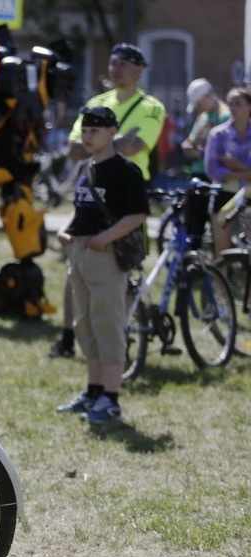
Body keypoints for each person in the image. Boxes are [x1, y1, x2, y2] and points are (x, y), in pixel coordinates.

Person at [49, 43, 166, 359]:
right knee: (76, 267)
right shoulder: (96, 102)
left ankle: (118, 339)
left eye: (125, 64)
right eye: (113, 63)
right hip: (92, 190)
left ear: (140, 69)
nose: (117, 69)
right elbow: (74, 147)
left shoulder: (151, 106)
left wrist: (97, 143)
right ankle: (68, 337)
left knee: (122, 268)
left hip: (126, 193)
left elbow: (136, 145)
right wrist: (112, 141)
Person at [55, 106, 148, 425]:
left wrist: (104, 238)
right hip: (79, 253)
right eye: (85, 130)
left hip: (104, 254)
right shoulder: (87, 167)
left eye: (95, 131)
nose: (88, 136)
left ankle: (111, 398)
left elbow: (136, 215)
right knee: (86, 325)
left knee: (108, 325)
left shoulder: (125, 170)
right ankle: (93, 391)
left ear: (112, 132)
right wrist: (66, 229)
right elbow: (81, 207)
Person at [204, 85, 251, 255]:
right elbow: (212, 170)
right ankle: (220, 281)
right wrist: (246, 172)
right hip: (223, 193)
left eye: (238, 103)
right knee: (221, 253)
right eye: (230, 103)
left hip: (248, 195)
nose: (232, 107)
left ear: (249, 106)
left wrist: (234, 166)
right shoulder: (218, 134)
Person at [181, 78, 230, 178]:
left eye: (199, 104)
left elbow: (227, 151)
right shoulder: (203, 116)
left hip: (214, 174)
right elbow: (192, 139)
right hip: (197, 171)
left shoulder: (225, 116)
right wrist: (188, 145)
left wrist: (200, 155)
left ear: (208, 95)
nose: (198, 108)